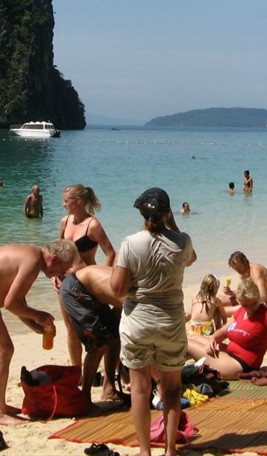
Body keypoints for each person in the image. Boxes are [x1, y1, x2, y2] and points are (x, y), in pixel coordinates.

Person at [110, 188, 196, 456]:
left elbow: (117, 289)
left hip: (138, 321)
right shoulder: (182, 241)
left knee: (140, 388)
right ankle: (170, 450)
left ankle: (145, 451)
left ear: (141, 213)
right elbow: (191, 260)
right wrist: (173, 225)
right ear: (167, 214)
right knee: (171, 388)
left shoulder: (130, 243)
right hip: (170, 320)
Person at [0, 240, 77, 425]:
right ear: (53, 259)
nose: (62, 274)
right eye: (63, 268)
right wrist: (39, 315)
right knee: (4, 349)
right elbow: (10, 304)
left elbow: (17, 302)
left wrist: (35, 326)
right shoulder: (31, 262)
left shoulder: (33, 256)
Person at [187, 279, 267, 379]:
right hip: (230, 352)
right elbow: (223, 331)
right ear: (239, 301)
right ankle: (175, 370)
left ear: (258, 298)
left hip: (242, 364)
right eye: (245, 305)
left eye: (253, 303)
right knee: (196, 338)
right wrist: (213, 339)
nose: (249, 308)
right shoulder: (240, 311)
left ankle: (173, 374)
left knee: (187, 343)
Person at [57, 184, 116, 370]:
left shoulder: (93, 225)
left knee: (101, 327)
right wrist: (54, 275)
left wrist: (102, 278)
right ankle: (77, 371)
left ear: (79, 201)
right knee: (71, 329)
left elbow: (110, 252)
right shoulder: (64, 222)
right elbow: (59, 251)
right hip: (64, 282)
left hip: (87, 284)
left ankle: (111, 370)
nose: (63, 205)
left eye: (66, 201)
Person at [58, 264, 123, 406]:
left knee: (115, 336)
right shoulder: (133, 297)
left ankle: (108, 388)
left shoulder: (139, 292)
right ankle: (85, 397)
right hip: (75, 289)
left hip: (94, 290)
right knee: (98, 345)